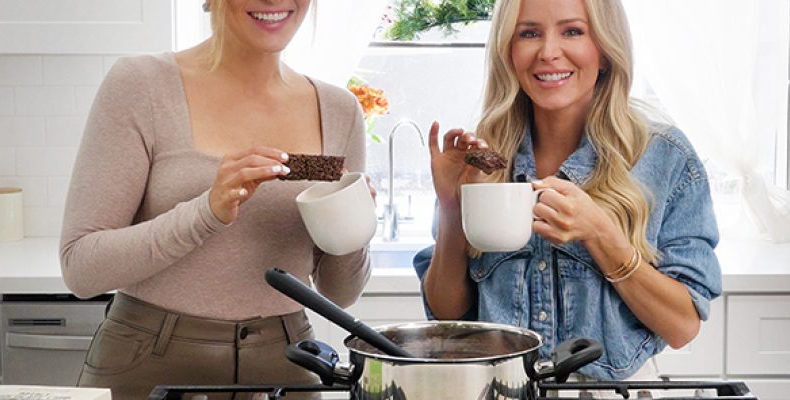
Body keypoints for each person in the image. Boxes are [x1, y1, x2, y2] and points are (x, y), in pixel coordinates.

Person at [60, 0, 371, 398]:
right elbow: (81, 268)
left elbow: (339, 293)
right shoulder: (141, 85)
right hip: (150, 364)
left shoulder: (339, 110)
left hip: (286, 365)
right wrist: (206, 212)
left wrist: (354, 223)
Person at [414, 0, 722, 381]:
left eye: (572, 31)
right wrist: (450, 208)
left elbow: (682, 327)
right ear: (508, 52)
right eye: (529, 33)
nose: (548, 53)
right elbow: (448, 317)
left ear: (606, 51)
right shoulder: (484, 157)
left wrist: (601, 233)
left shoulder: (664, 157)